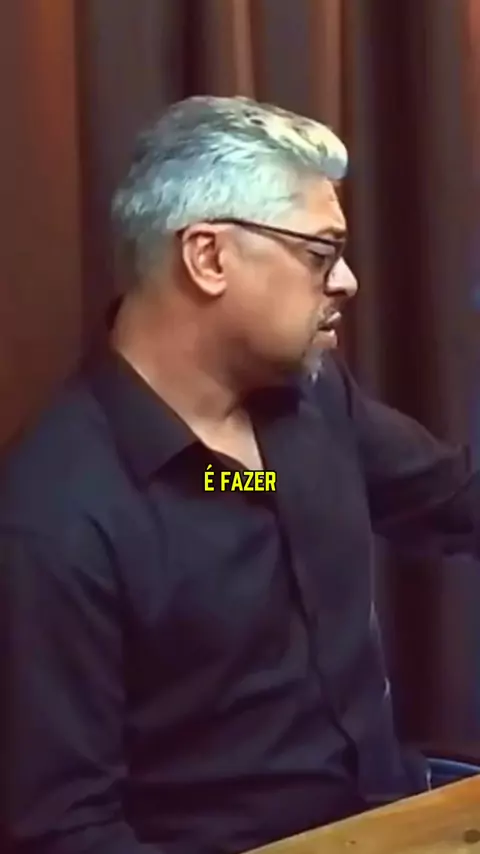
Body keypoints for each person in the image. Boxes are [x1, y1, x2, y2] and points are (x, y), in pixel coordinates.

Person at [0, 95, 478, 854]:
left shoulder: (314, 403)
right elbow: (67, 833)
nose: (347, 281)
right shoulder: (54, 519)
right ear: (209, 258)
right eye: (320, 253)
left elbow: (455, 498)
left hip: (394, 817)